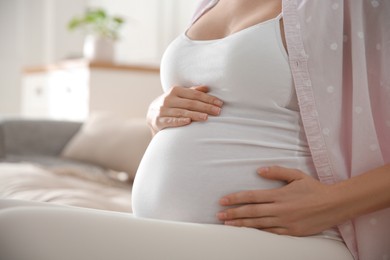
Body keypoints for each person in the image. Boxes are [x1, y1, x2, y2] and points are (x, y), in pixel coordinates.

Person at [0, 1, 389, 260]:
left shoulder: (354, 8)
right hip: (183, 233)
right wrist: (158, 113)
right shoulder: (208, 3)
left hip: (286, 239)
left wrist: (331, 203)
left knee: (14, 230)